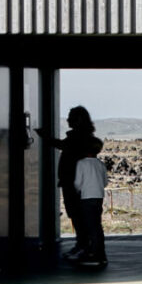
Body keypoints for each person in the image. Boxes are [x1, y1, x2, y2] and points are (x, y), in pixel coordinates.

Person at [36, 105, 102, 261]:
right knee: (80, 216)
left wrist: (45, 137)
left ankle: (84, 246)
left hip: (73, 184)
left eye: (71, 117)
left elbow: (62, 145)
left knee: (77, 215)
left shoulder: (77, 138)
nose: (68, 120)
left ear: (77, 120)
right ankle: (85, 246)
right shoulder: (83, 137)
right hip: (78, 184)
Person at [73, 149, 108, 268]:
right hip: (99, 196)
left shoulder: (81, 163)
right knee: (97, 225)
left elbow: (78, 183)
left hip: (86, 196)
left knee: (90, 226)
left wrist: (78, 190)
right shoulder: (101, 164)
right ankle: (100, 252)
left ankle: (94, 253)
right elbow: (105, 182)